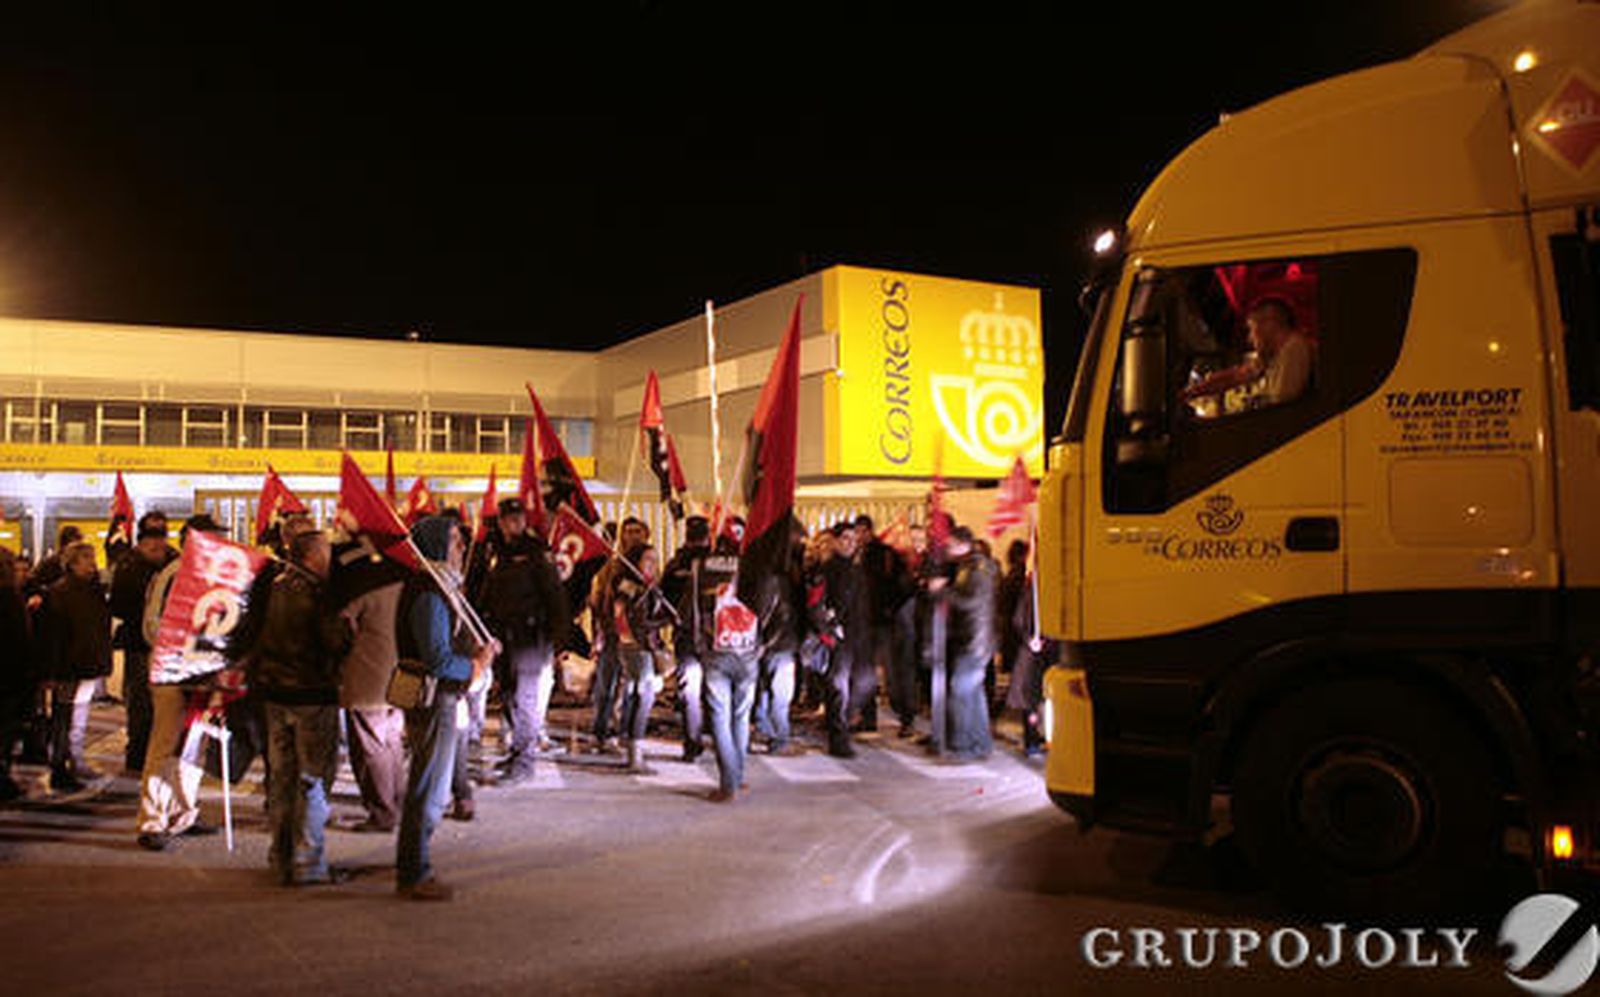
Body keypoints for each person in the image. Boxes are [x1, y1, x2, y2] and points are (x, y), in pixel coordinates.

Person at [395, 516, 496, 900]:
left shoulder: (438, 587)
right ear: (435, 545)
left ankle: (413, 862)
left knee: (431, 782)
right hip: (434, 697)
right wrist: (476, 665)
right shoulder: (429, 592)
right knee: (429, 786)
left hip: (439, 696)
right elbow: (436, 657)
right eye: (453, 541)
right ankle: (414, 871)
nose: (460, 548)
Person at [249, 527, 350, 886]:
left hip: (275, 695)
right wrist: (347, 630)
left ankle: (280, 855)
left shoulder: (271, 587)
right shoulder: (319, 594)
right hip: (311, 695)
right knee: (313, 780)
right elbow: (334, 642)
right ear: (311, 556)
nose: (330, 559)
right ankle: (308, 860)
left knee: (281, 778)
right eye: (325, 552)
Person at [135, 515, 228, 850]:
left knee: (192, 746)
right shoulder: (176, 575)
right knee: (166, 744)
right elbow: (154, 626)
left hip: (197, 672)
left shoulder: (205, 575)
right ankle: (153, 820)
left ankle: (182, 812)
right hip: (174, 672)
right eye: (215, 537)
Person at [480, 497, 569, 784]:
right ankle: (517, 753)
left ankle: (525, 763)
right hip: (504, 637)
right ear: (502, 521)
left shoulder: (535, 552)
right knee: (507, 696)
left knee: (525, 700)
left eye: (519, 518)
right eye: (509, 519)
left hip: (532, 637)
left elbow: (555, 596)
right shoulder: (496, 551)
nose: (515, 523)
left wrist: (559, 640)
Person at [330, 537, 409, 833]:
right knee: (392, 746)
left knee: (371, 751)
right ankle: (398, 804)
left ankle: (382, 813)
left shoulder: (361, 596)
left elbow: (339, 634)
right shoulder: (403, 587)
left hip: (367, 682)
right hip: (399, 681)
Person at [681, 533, 759, 802]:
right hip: (748, 652)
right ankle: (738, 775)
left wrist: (697, 646)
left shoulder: (700, 567)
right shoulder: (751, 566)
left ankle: (729, 783)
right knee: (741, 716)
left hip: (716, 650)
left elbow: (690, 611)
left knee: (719, 717)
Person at [37, 542, 112, 791]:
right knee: (64, 718)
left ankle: (75, 761)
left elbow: (100, 628)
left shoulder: (92, 590)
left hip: (87, 664)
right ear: (72, 563)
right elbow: (53, 635)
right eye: (86, 559)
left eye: (92, 558)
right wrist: (51, 671)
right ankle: (60, 767)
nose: (92, 563)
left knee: (78, 717)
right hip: (70, 666)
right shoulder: (60, 592)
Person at [109, 513, 177, 772]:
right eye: (151, 541)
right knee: (140, 701)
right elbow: (119, 605)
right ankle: (138, 751)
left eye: (161, 538)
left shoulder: (173, 561)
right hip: (140, 644)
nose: (158, 547)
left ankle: (158, 750)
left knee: (165, 704)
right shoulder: (129, 566)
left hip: (168, 645)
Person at [1180, 296, 1314, 410]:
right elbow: (1235, 376)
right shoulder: (1273, 354)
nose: (1250, 338)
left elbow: (1280, 408)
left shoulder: (1294, 349)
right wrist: (1194, 391)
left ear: (1269, 325)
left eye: (1252, 329)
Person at [934, 526, 997, 761]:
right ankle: (981, 744)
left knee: (960, 692)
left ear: (963, 544)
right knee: (973, 694)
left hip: (974, 641)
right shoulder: (967, 566)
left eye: (950, 545)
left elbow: (971, 602)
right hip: (970, 639)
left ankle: (964, 747)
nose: (947, 549)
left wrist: (943, 591)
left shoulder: (978, 569)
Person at [610, 542, 673, 774]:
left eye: (655, 560)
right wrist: (666, 622)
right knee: (643, 699)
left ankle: (628, 742)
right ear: (635, 562)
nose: (653, 565)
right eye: (647, 559)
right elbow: (637, 621)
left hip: (638, 647)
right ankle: (635, 753)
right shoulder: (629, 587)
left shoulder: (649, 587)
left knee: (636, 696)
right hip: (636, 647)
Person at [752, 522, 804, 756]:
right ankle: (779, 737)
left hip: (770, 641)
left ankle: (765, 729)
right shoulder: (779, 575)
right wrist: (767, 641)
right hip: (779, 641)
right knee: (779, 692)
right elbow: (777, 612)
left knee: (765, 688)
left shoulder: (764, 571)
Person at [662, 514, 711, 761]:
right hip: (702, 638)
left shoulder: (678, 564)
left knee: (692, 691)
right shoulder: (714, 563)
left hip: (697, 637)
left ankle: (695, 740)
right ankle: (700, 738)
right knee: (702, 690)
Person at [0, 547, 32, 801]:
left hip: (10, 674)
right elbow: (19, 640)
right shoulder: (10, 597)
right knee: (5, 731)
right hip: (8, 676)